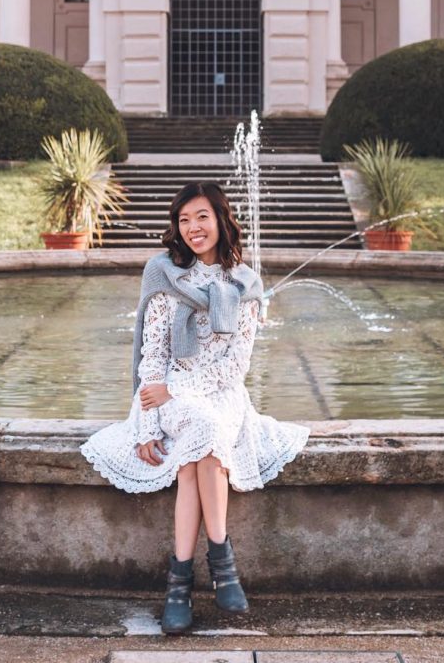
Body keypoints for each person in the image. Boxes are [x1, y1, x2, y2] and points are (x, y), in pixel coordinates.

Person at [80, 180, 309, 634]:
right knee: (202, 430)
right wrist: (148, 422)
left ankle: (178, 585)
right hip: (169, 393)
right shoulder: (163, 273)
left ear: (221, 220)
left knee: (195, 458)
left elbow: (235, 365)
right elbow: (152, 356)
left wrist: (182, 391)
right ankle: (223, 564)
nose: (192, 228)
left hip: (222, 393)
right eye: (184, 220)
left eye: (201, 216)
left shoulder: (245, 283)